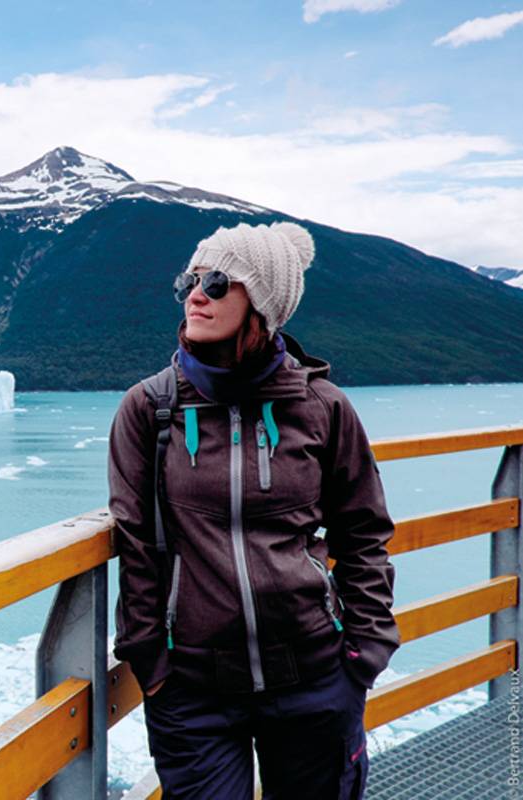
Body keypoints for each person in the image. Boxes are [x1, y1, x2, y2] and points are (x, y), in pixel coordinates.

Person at [107, 221, 399, 799]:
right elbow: (136, 545)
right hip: (194, 693)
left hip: (315, 680)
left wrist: (363, 654)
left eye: (217, 283)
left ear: (263, 303)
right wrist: (153, 665)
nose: (195, 294)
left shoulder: (322, 408)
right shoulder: (150, 409)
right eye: (189, 281)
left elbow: (363, 531)